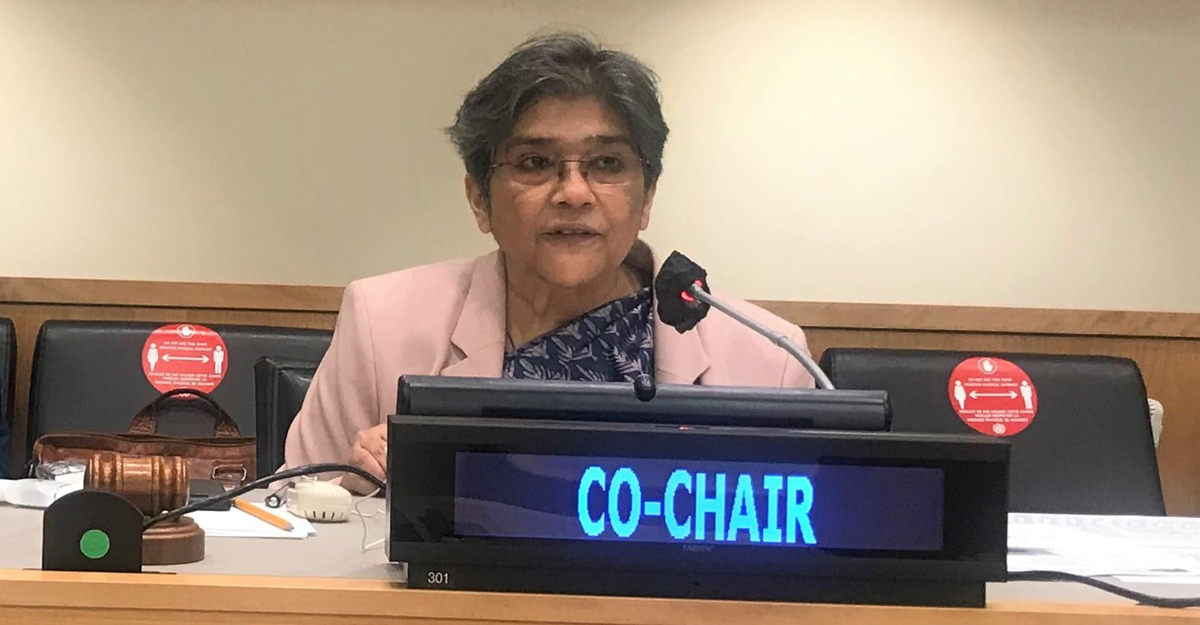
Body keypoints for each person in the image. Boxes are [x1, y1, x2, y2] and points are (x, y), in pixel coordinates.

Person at [284, 32, 816, 493]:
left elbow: (805, 557)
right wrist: (351, 489)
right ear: (479, 199)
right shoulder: (382, 324)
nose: (574, 193)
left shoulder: (769, 361)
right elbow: (282, 519)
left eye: (607, 163)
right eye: (536, 163)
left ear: (647, 196)